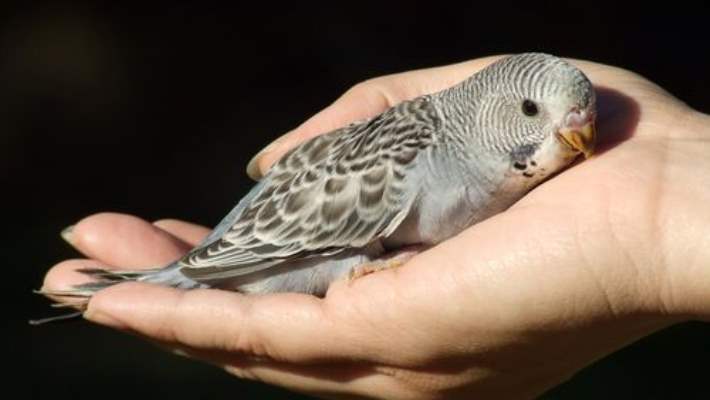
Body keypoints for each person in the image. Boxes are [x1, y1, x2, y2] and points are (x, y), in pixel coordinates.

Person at [42, 56, 710, 399]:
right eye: (535, 111)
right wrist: (193, 273)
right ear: (494, 109)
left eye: (581, 117)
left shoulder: (494, 162)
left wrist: (655, 222)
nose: (574, 134)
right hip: (266, 257)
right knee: (168, 290)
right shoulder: (410, 160)